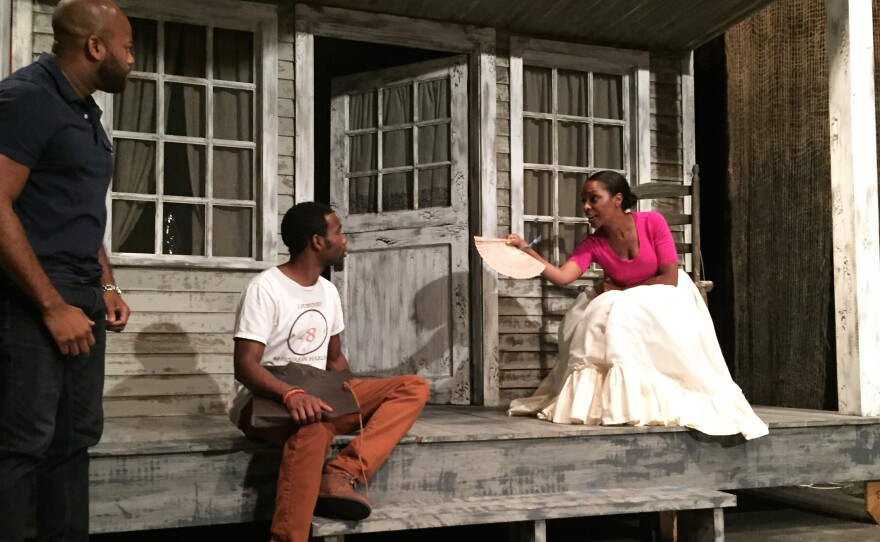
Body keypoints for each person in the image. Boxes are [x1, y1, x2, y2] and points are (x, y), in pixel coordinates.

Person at [0, 0, 134, 539]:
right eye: (126, 48)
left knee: (74, 437)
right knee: (23, 441)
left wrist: (105, 284)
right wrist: (52, 306)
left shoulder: (84, 110)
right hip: (30, 298)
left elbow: (78, 211)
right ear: (94, 47)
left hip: (80, 291)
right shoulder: (27, 99)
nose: (131, 59)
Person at [506, 170, 768, 440]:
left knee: (617, 307)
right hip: (628, 300)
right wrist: (526, 250)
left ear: (617, 199)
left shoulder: (652, 222)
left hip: (668, 294)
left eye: (594, 199)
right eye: (584, 200)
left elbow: (669, 277)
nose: (586, 207)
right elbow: (562, 277)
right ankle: (616, 405)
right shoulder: (593, 243)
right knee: (601, 310)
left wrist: (619, 288)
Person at [230, 202, 430, 542]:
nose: (345, 239)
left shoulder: (328, 291)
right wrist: (290, 394)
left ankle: (342, 472)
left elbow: (335, 360)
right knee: (313, 430)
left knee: (412, 387)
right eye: (338, 231)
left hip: (318, 393)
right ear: (317, 242)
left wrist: (351, 398)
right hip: (267, 401)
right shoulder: (265, 288)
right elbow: (245, 365)